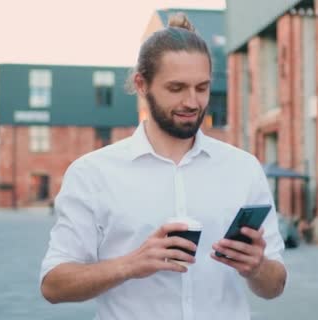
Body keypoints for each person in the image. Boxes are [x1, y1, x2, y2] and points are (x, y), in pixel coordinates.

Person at [39, 13, 287, 320]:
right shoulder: (92, 173)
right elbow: (53, 284)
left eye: (202, 87)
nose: (192, 102)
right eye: (176, 88)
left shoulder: (244, 168)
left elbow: (275, 285)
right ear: (142, 84)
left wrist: (258, 267)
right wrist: (130, 264)